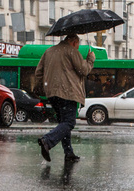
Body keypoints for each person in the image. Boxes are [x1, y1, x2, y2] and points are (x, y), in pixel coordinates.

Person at [34, 34, 96, 163]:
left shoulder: (49, 51)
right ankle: (47, 140)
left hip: (52, 93)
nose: (78, 48)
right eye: (78, 44)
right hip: (68, 92)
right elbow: (83, 70)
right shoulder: (71, 51)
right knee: (69, 122)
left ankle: (69, 153)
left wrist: (40, 89)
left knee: (63, 122)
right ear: (73, 42)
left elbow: (39, 72)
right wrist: (90, 59)